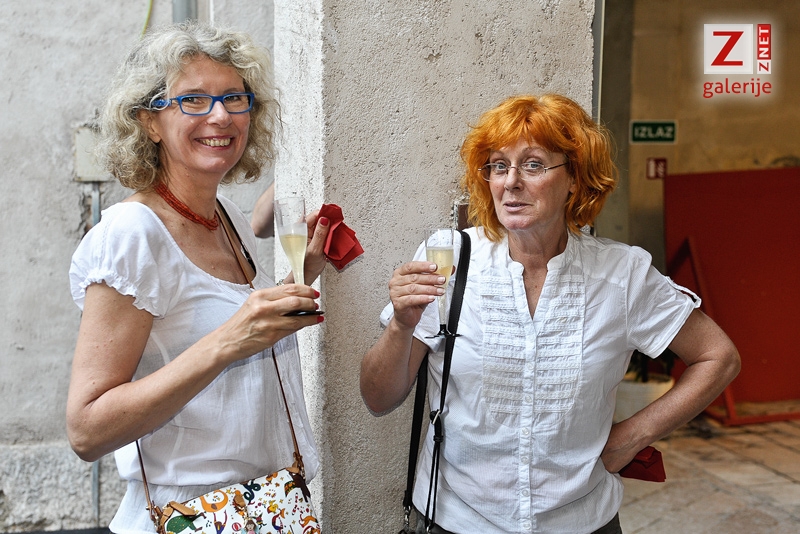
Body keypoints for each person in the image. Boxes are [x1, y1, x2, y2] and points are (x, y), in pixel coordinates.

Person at [360, 94, 740, 534]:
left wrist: (633, 436)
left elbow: (719, 358)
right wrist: (402, 325)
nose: (511, 182)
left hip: (582, 521)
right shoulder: (448, 258)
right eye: (498, 165)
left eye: (533, 165)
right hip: (458, 519)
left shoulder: (622, 274)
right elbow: (378, 399)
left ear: (575, 178)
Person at [67, 21, 329, 532]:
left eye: (234, 98)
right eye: (193, 100)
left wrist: (298, 278)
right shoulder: (132, 234)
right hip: (187, 516)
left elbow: (210, 320)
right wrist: (230, 341)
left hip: (265, 509)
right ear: (149, 121)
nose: (220, 115)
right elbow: (87, 430)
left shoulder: (226, 217)